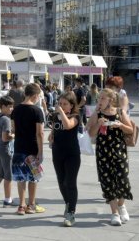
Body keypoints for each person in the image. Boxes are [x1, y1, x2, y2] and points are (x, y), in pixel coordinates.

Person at [87, 88, 133, 226]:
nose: (99, 100)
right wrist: (98, 123)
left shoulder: (120, 112)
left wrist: (120, 125)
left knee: (123, 179)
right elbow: (91, 133)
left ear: (110, 100)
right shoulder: (97, 113)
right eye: (99, 98)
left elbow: (130, 129)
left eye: (102, 98)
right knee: (107, 181)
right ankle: (115, 213)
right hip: (103, 152)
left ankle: (121, 205)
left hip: (119, 150)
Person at [11, 83, 45, 215]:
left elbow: (13, 129)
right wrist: (41, 152)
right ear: (35, 96)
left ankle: (21, 205)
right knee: (33, 178)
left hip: (19, 147)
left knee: (21, 178)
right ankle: (31, 205)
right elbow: (40, 133)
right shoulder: (37, 111)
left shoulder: (15, 110)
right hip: (32, 149)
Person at [48, 92, 80, 227]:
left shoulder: (76, 116)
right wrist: (51, 136)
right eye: (60, 103)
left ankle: (71, 212)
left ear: (71, 106)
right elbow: (55, 130)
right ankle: (68, 204)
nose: (61, 106)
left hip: (72, 154)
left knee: (70, 182)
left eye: (64, 104)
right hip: (57, 152)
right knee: (61, 182)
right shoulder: (56, 116)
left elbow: (67, 126)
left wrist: (61, 112)